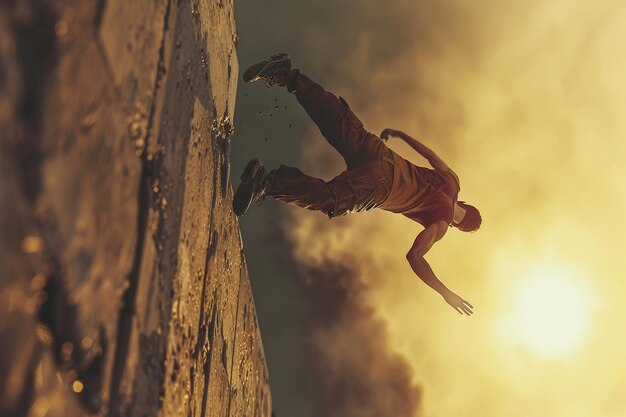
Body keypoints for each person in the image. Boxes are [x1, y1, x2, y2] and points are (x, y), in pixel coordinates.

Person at [234, 54, 481, 315]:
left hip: (381, 153)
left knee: (338, 121)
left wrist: (400, 134)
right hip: (380, 186)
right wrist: (445, 292)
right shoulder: (441, 223)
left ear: (465, 203)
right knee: (332, 200)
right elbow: (415, 256)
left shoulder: (453, 181)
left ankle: (286, 75)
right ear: (457, 225)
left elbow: (430, 155)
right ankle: (268, 183)